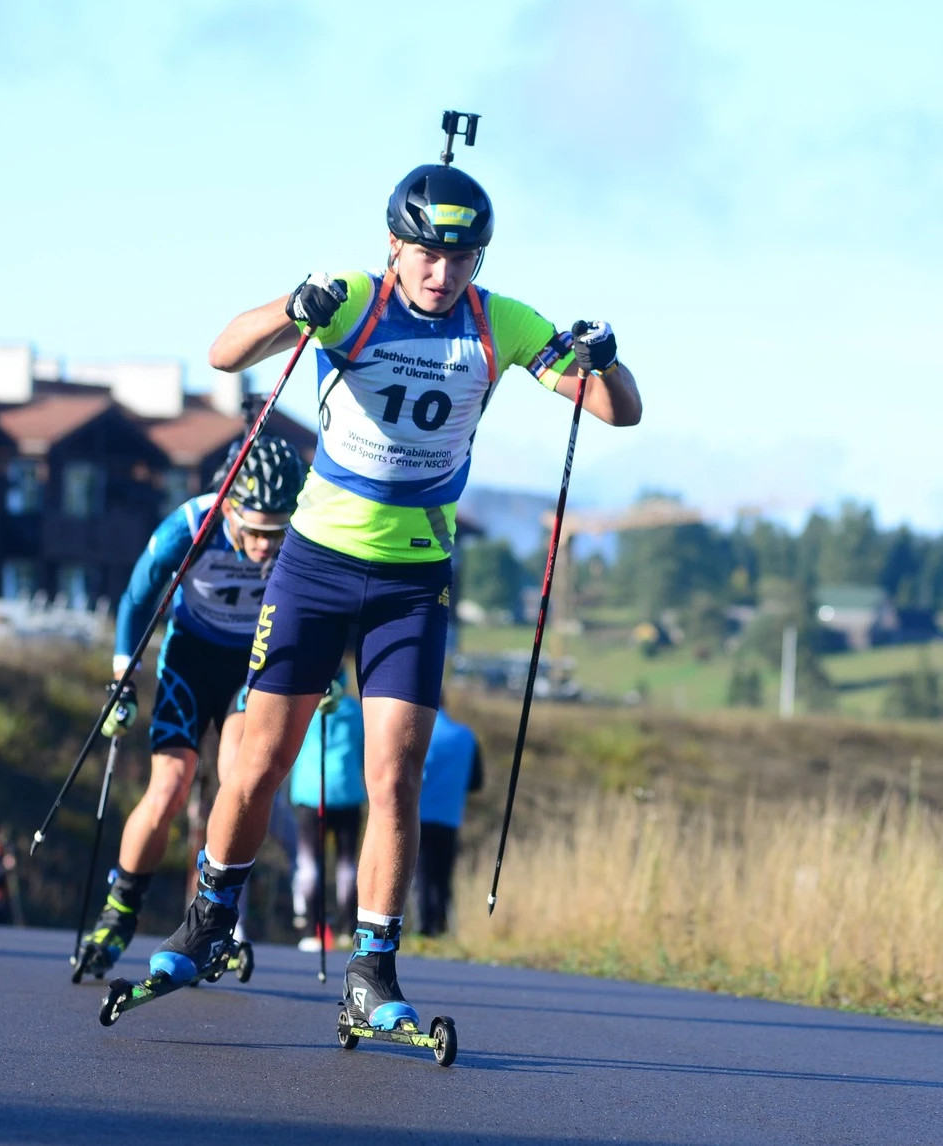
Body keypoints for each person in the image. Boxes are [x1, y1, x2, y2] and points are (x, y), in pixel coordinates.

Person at [148, 153, 641, 1040]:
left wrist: (606, 359)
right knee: (258, 759)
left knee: (395, 773)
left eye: (461, 259)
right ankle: (210, 918)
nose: (442, 274)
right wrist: (292, 308)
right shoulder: (352, 298)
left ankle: (372, 969)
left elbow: (616, 409)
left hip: (412, 581)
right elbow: (224, 353)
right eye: (426, 255)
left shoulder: (500, 321)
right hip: (314, 566)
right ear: (393, 246)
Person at [74, 435, 305, 975]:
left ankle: (215, 918)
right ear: (229, 508)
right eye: (255, 531)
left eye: (277, 533)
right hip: (190, 658)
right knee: (170, 788)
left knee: (241, 780)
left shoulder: (302, 534)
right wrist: (122, 679)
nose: (266, 546)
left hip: (253, 663)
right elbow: (137, 597)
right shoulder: (191, 525)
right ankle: (117, 914)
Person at [289, 671, 366, 950]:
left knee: (310, 863)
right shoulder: (356, 711)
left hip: (311, 793)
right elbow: (364, 749)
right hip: (347, 792)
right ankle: (348, 928)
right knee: (347, 864)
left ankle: (312, 929)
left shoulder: (305, 706)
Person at [416, 704, 484, 937]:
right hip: (450, 817)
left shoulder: (417, 731)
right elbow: (476, 782)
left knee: (421, 875)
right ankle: (442, 926)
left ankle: (424, 927)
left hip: (419, 816)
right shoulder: (466, 735)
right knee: (443, 878)